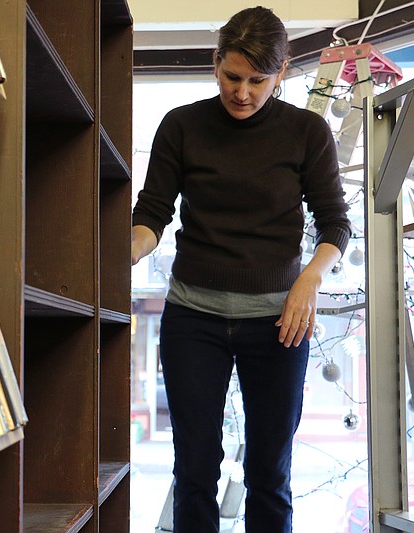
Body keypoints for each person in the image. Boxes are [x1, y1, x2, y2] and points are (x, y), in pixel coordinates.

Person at [131, 6, 351, 533]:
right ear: (215, 64)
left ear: (281, 72)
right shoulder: (181, 125)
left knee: (269, 471)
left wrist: (308, 280)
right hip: (194, 319)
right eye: (233, 76)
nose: (243, 92)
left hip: (281, 322)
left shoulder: (307, 132)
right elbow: (152, 215)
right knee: (195, 465)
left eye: (259, 80)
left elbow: (335, 226)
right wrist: (126, 249)